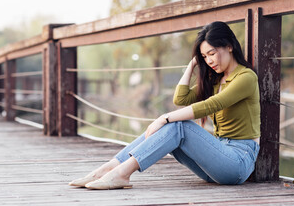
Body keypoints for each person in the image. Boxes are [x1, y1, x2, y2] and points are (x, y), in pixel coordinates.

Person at [69, 21, 261, 190]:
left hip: (237, 162)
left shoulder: (246, 78)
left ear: (229, 46)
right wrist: (191, 65)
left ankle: (122, 173)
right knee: (173, 126)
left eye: (212, 53)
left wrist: (164, 117)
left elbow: (211, 105)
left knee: (179, 125)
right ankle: (110, 167)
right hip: (214, 166)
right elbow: (181, 98)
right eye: (204, 56)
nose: (209, 61)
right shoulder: (215, 81)